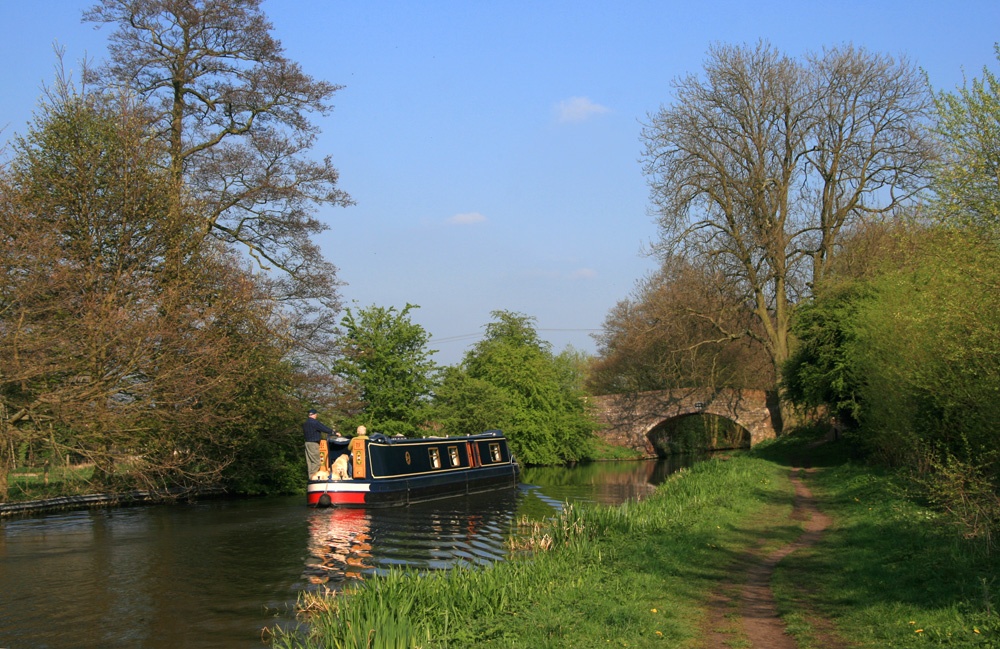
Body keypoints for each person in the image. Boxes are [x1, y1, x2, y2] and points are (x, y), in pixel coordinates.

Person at [302, 408, 333, 478]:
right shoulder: (315, 423)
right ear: (315, 415)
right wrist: (334, 432)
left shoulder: (305, 423)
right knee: (317, 462)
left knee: (310, 462)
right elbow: (324, 428)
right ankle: (313, 477)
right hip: (314, 444)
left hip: (307, 443)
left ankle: (310, 477)